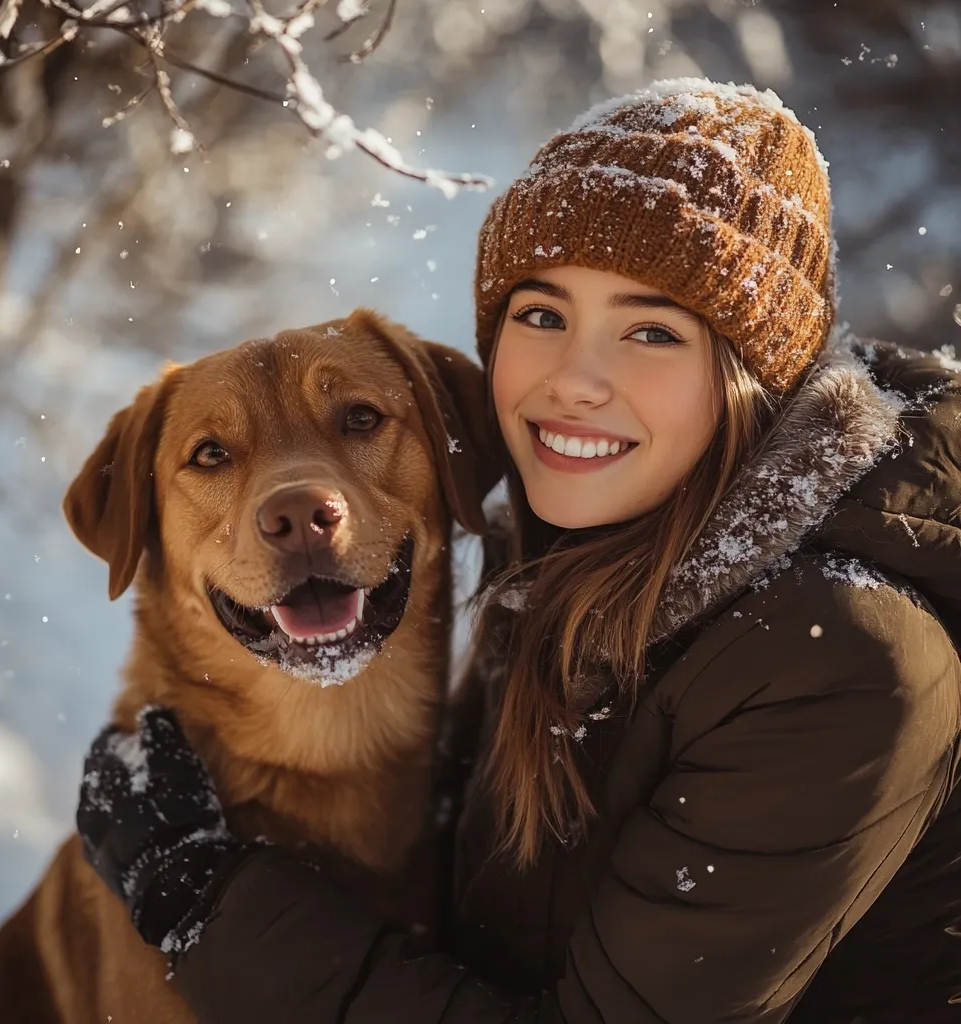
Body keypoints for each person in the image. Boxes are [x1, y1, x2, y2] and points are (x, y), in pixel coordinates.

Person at [75, 78, 961, 1023]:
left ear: (752, 378)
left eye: (652, 331)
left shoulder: (843, 658)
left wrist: (206, 900)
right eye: (541, 316)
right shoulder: (554, 564)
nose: (575, 379)